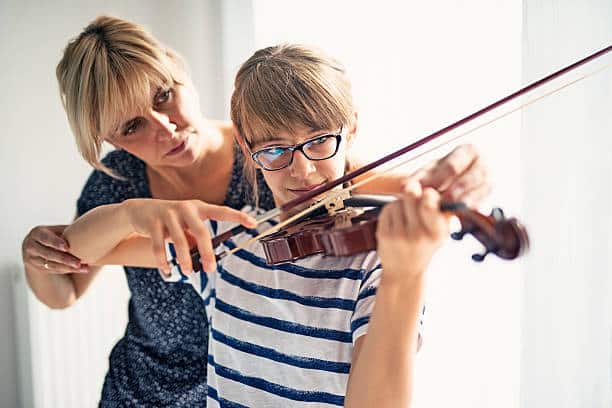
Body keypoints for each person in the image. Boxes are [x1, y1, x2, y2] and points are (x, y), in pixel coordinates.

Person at [20, 16, 489, 407]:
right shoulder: (201, 226)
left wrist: (448, 189)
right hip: (148, 389)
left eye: (163, 95)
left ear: (178, 72)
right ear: (109, 139)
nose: (165, 128)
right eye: (132, 125)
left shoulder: (279, 155)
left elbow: (349, 175)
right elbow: (71, 268)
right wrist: (126, 214)